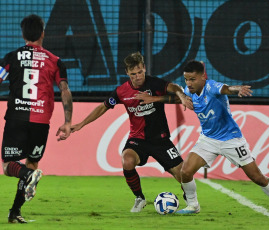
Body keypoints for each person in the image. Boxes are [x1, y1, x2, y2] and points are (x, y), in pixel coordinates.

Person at [136, 60, 269, 217]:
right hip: (208, 140)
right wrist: (154, 99)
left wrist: (237, 89)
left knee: (257, 177)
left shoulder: (212, 87)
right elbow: (177, 98)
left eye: (192, 79)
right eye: (186, 79)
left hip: (231, 140)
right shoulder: (189, 91)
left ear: (203, 77)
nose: (189, 83)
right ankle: (193, 205)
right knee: (185, 171)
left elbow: (226, 89)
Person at [71, 51, 193, 213]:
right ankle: (140, 198)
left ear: (144, 68)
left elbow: (175, 88)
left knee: (182, 173)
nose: (137, 76)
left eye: (140, 72)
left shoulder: (155, 84)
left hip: (160, 140)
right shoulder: (121, 91)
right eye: (133, 74)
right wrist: (81, 124)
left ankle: (191, 200)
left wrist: (181, 96)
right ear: (127, 73)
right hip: (138, 140)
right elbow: (103, 107)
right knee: (127, 160)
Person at [0, 14, 73, 223]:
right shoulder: (55, 61)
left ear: (23, 34)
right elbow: (65, 90)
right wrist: (68, 121)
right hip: (41, 122)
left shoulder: (11, 58)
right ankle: (15, 212)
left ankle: (24, 187)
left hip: (16, 118)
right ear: (43, 33)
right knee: (31, 164)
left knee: (9, 167)